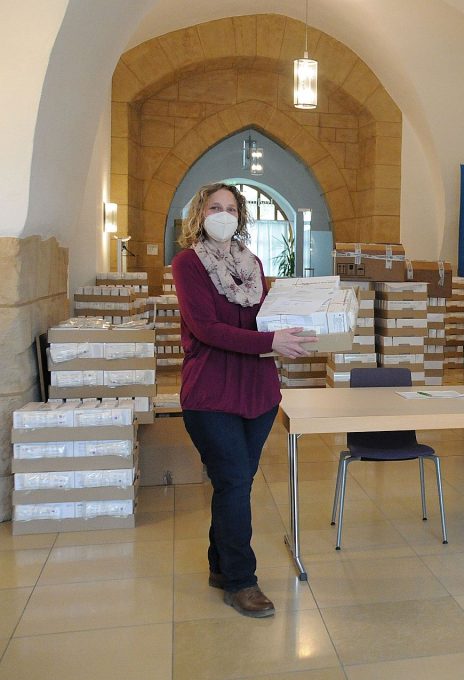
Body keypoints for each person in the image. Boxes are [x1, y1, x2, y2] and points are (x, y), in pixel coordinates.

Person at [172, 182, 316, 617]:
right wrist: (271, 338)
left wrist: (310, 314)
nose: (223, 214)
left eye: (231, 208)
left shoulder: (251, 263)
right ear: (199, 214)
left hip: (258, 392)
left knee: (234, 482)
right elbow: (207, 329)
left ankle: (219, 564)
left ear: (241, 216)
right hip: (211, 392)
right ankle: (241, 580)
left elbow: (266, 316)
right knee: (234, 480)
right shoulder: (187, 265)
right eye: (214, 207)